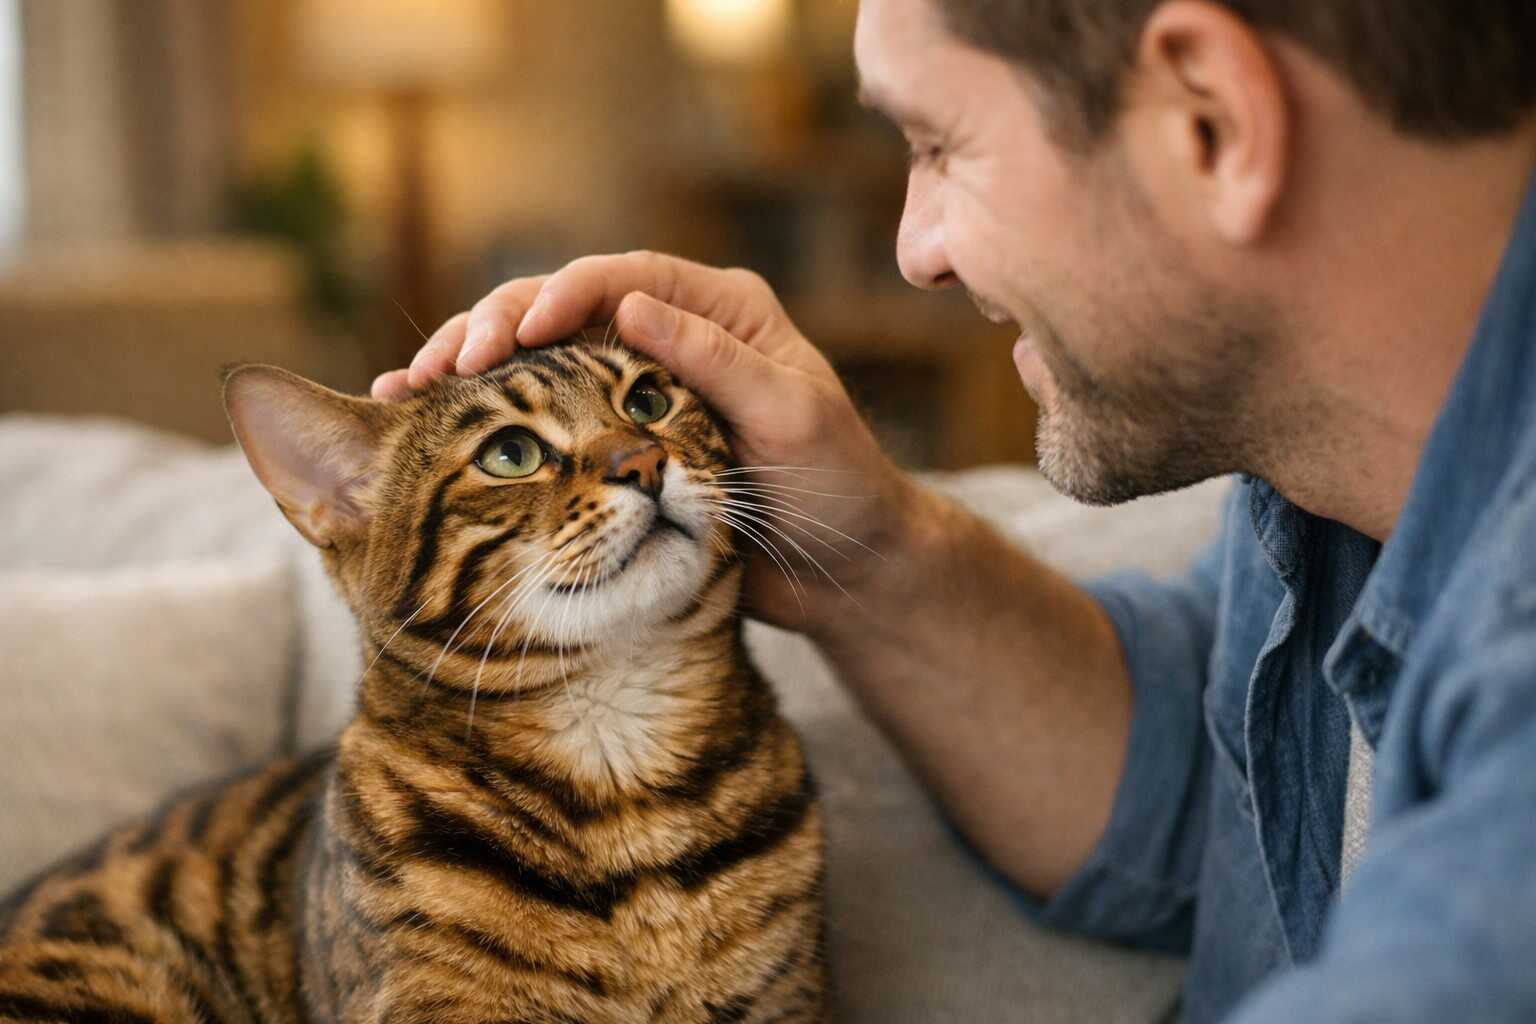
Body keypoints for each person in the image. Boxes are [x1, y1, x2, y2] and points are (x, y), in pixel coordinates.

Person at [373, 0, 1536, 1020]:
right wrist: (862, 547)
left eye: (937, 145)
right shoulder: (1322, 461)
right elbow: (1216, 787)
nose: (915, 249)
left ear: (1210, 119)